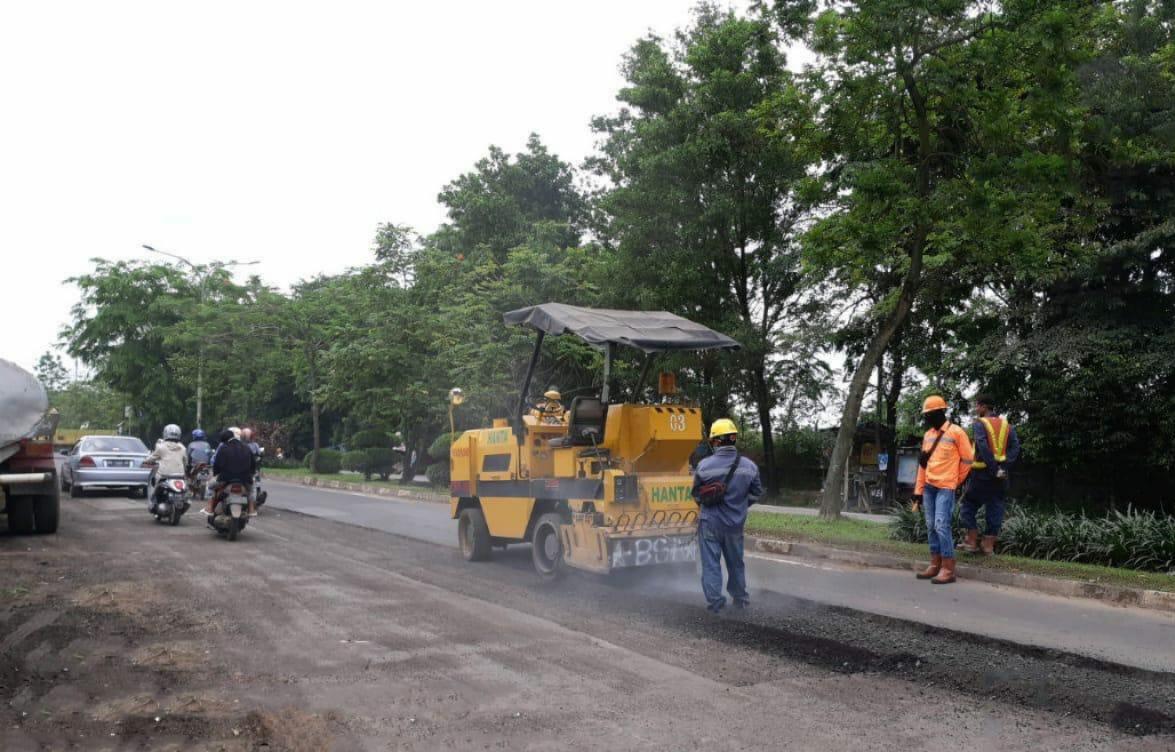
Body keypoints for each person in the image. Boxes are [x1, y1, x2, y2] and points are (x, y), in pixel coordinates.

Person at [691, 418, 762, 614]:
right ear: (733, 439)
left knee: (711, 564)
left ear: (717, 441)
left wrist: (709, 506)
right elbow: (756, 493)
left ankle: (716, 603)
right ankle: (740, 599)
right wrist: (739, 506)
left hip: (710, 523)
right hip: (735, 524)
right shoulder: (750, 466)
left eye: (713, 441)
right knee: (736, 562)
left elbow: (696, 494)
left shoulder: (704, 466)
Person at [913, 396, 974, 585]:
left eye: (929, 415)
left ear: (940, 412)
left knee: (941, 525)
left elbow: (968, 461)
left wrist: (955, 480)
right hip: (929, 487)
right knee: (931, 525)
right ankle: (934, 564)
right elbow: (923, 466)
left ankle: (948, 568)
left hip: (946, 487)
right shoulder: (928, 435)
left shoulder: (957, 432)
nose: (927, 418)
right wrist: (918, 490)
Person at [959, 395, 1021, 555]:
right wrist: (1002, 467)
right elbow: (1015, 448)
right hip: (1000, 475)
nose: (976, 409)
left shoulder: (980, 424)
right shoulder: (1008, 425)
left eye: (977, 406)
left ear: (984, 407)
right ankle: (988, 545)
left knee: (968, 505)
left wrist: (993, 468)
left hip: (982, 474)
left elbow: (982, 446)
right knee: (996, 507)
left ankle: (972, 541)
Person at [208, 427, 257, 517]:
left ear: (224, 440)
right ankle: (251, 509)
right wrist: (250, 474)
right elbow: (253, 464)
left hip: (225, 479)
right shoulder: (247, 447)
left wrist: (216, 474)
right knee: (251, 490)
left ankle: (210, 508)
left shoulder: (223, 448)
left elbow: (217, 464)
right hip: (244, 479)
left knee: (210, 486)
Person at [147, 424, 188, 511]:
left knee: (153, 483)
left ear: (165, 433)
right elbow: (185, 462)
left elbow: (152, 458)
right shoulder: (183, 448)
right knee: (185, 489)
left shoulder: (161, 447)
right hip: (180, 475)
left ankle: (153, 501)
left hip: (164, 475)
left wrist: (145, 461)